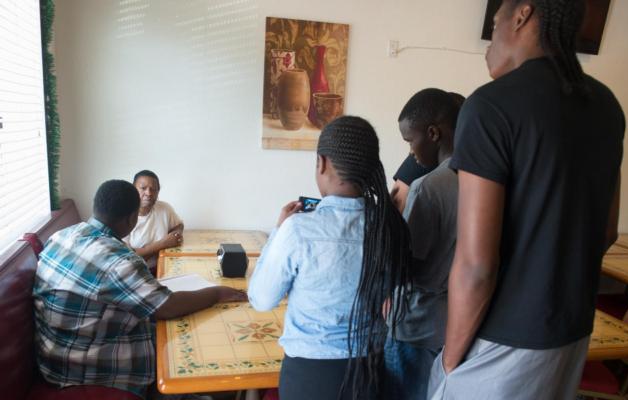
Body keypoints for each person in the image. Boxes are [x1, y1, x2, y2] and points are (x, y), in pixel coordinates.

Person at [429, 1, 625, 399]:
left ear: (522, 15)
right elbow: (606, 231)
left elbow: (475, 265)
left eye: (496, 20)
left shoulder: (490, 106)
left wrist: (450, 357)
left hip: (502, 341)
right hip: (571, 334)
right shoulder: (606, 105)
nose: (489, 42)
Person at [33, 180, 246, 398]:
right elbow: (167, 307)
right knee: (201, 353)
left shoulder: (62, 236)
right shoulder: (119, 260)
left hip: (53, 357)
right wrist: (217, 293)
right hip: (87, 368)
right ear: (132, 218)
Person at [248, 116, 412, 400]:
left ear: (322, 163)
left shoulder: (298, 229)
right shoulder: (388, 227)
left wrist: (278, 230)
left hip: (310, 376)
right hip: (369, 371)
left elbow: (262, 299)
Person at [383, 89, 463, 400]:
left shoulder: (429, 187)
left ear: (433, 133)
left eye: (409, 141)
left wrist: (387, 228)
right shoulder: (483, 177)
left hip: (415, 324)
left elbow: (407, 265)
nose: (411, 153)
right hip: (453, 324)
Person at [124, 170, 184, 262]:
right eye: (143, 188)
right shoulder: (123, 215)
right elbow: (128, 257)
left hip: (164, 264)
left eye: (153, 189)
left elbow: (179, 225)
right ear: (133, 189)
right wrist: (163, 243)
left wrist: (175, 235)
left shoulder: (165, 208)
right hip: (138, 271)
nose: (149, 193)